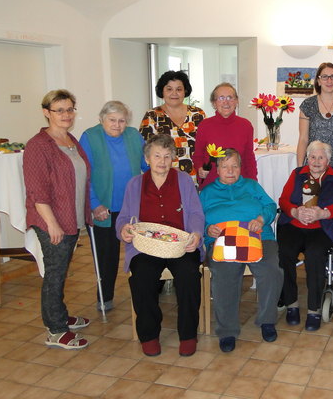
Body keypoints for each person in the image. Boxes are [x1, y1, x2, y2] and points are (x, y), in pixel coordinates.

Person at [117, 134, 204, 357]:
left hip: (181, 244)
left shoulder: (184, 180)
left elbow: (195, 213)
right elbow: (124, 216)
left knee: (189, 275)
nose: (162, 161)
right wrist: (124, 230)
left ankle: (188, 334)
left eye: (167, 156)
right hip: (145, 246)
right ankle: (149, 334)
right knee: (142, 277)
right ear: (147, 159)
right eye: (157, 156)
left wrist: (195, 235)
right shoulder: (135, 184)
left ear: (173, 158)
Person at [24, 89, 92, 350]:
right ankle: (55, 329)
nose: (66, 115)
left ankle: (60, 315)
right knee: (54, 273)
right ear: (46, 113)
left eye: (70, 109)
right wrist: (51, 223)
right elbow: (36, 190)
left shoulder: (70, 140)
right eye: (59, 110)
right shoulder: (38, 145)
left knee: (62, 270)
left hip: (70, 217)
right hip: (51, 220)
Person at [201, 149, 283, 353]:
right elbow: (196, 218)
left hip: (258, 237)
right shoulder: (207, 192)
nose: (230, 171)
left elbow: (271, 206)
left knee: (271, 270)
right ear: (217, 169)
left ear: (240, 168)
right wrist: (207, 229)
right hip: (223, 239)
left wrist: (261, 220)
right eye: (225, 166)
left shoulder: (251, 185)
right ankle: (227, 330)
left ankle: (267, 321)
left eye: (234, 166)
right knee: (224, 274)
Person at [80, 101, 147, 312]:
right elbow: (84, 175)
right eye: (112, 120)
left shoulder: (134, 136)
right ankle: (104, 297)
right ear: (102, 119)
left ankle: (144, 294)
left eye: (122, 120)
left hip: (132, 207)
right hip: (104, 208)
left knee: (140, 253)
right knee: (106, 256)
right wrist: (94, 205)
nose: (117, 125)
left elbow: (147, 163)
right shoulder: (90, 137)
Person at [277, 141, 333, 331]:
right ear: (307, 158)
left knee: (315, 255)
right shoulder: (297, 174)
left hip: (322, 227)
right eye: (312, 157)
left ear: (328, 160)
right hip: (294, 223)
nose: (316, 161)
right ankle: (291, 302)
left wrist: (323, 213)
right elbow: (283, 200)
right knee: (284, 252)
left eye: (321, 157)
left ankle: (313, 308)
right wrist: (294, 211)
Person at [139, 70, 206, 184]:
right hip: (164, 180)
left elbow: (207, 146)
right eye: (169, 89)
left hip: (197, 179)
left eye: (179, 89)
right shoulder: (152, 116)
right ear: (162, 91)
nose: (174, 93)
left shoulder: (198, 114)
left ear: (185, 91)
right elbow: (145, 151)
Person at [296, 62, 333, 181]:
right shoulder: (307, 105)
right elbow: (303, 139)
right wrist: (299, 169)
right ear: (318, 81)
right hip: (313, 167)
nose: (329, 80)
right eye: (324, 77)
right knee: (312, 200)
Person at [192, 83, 257, 190]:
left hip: (240, 185)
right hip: (212, 186)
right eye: (221, 98)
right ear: (214, 103)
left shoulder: (246, 125)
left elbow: (249, 158)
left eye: (230, 97)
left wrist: (253, 184)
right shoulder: (204, 125)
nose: (226, 102)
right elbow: (198, 156)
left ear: (236, 101)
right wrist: (200, 169)